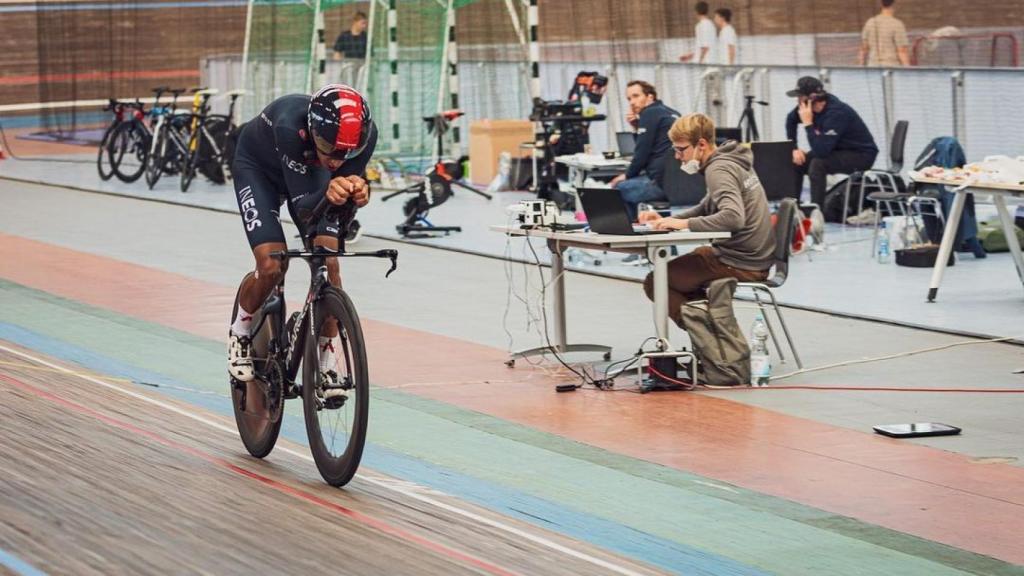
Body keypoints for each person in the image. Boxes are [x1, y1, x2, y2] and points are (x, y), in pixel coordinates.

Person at [228, 84, 377, 384]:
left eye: (346, 154)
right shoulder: (288, 126)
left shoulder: (364, 138)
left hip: (310, 177)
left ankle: (325, 359)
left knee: (329, 263)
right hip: (260, 173)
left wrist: (357, 193)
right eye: (330, 150)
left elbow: (337, 210)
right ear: (312, 131)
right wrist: (333, 188)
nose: (337, 161)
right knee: (272, 265)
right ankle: (240, 330)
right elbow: (306, 210)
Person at [638, 113, 774, 327]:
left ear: (701, 144)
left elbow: (732, 218)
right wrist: (668, 220)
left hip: (741, 262)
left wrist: (684, 225)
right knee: (693, 261)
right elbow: (706, 207)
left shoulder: (718, 169)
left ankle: (711, 337)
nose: (677, 156)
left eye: (680, 149)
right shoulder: (731, 160)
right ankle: (713, 331)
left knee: (656, 282)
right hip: (752, 256)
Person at [785, 76, 878, 209]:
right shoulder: (808, 108)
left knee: (818, 164)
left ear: (812, 98)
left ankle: (816, 212)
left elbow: (821, 152)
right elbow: (790, 120)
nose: (798, 100)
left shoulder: (836, 113)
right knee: (797, 161)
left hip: (861, 155)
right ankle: (793, 208)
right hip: (837, 150)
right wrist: (794, 149)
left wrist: (808, 124)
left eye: (801, 97)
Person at [609, 80, 680, 223]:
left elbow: (642, 153)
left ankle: (628, 239)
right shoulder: (672, 113)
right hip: (678, 184)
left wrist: (627, 175)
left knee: (618, 190)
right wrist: (636, 127)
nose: (632, 102)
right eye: (629, 99)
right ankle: (661, 232)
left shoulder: (649, 113)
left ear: (650, 97)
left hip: (660, 184)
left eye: (636, 96)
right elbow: (651, 144)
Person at [858, 0, 911, 67]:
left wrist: (860, 66)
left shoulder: (870, 22)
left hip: (872, 67)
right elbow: (902, 51)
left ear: (881, 4)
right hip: (891, 68)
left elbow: (863, 48)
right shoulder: (897, 24)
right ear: (894, 5)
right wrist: (908, 70)